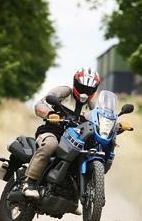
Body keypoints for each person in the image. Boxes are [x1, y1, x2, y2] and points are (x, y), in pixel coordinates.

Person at [22, 68, 101, 201]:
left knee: (90, 153)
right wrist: (50, 114)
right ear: (75, 83)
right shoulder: (64, 92)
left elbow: (101, 118)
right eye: (82, 87)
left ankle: (73, 194)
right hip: (53, 131)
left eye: (88, 89)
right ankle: (29, 183)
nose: (85, 92)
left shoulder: (93, 105)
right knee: (50, 146)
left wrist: (113, 126)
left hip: (76, 139)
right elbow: (40, 104)